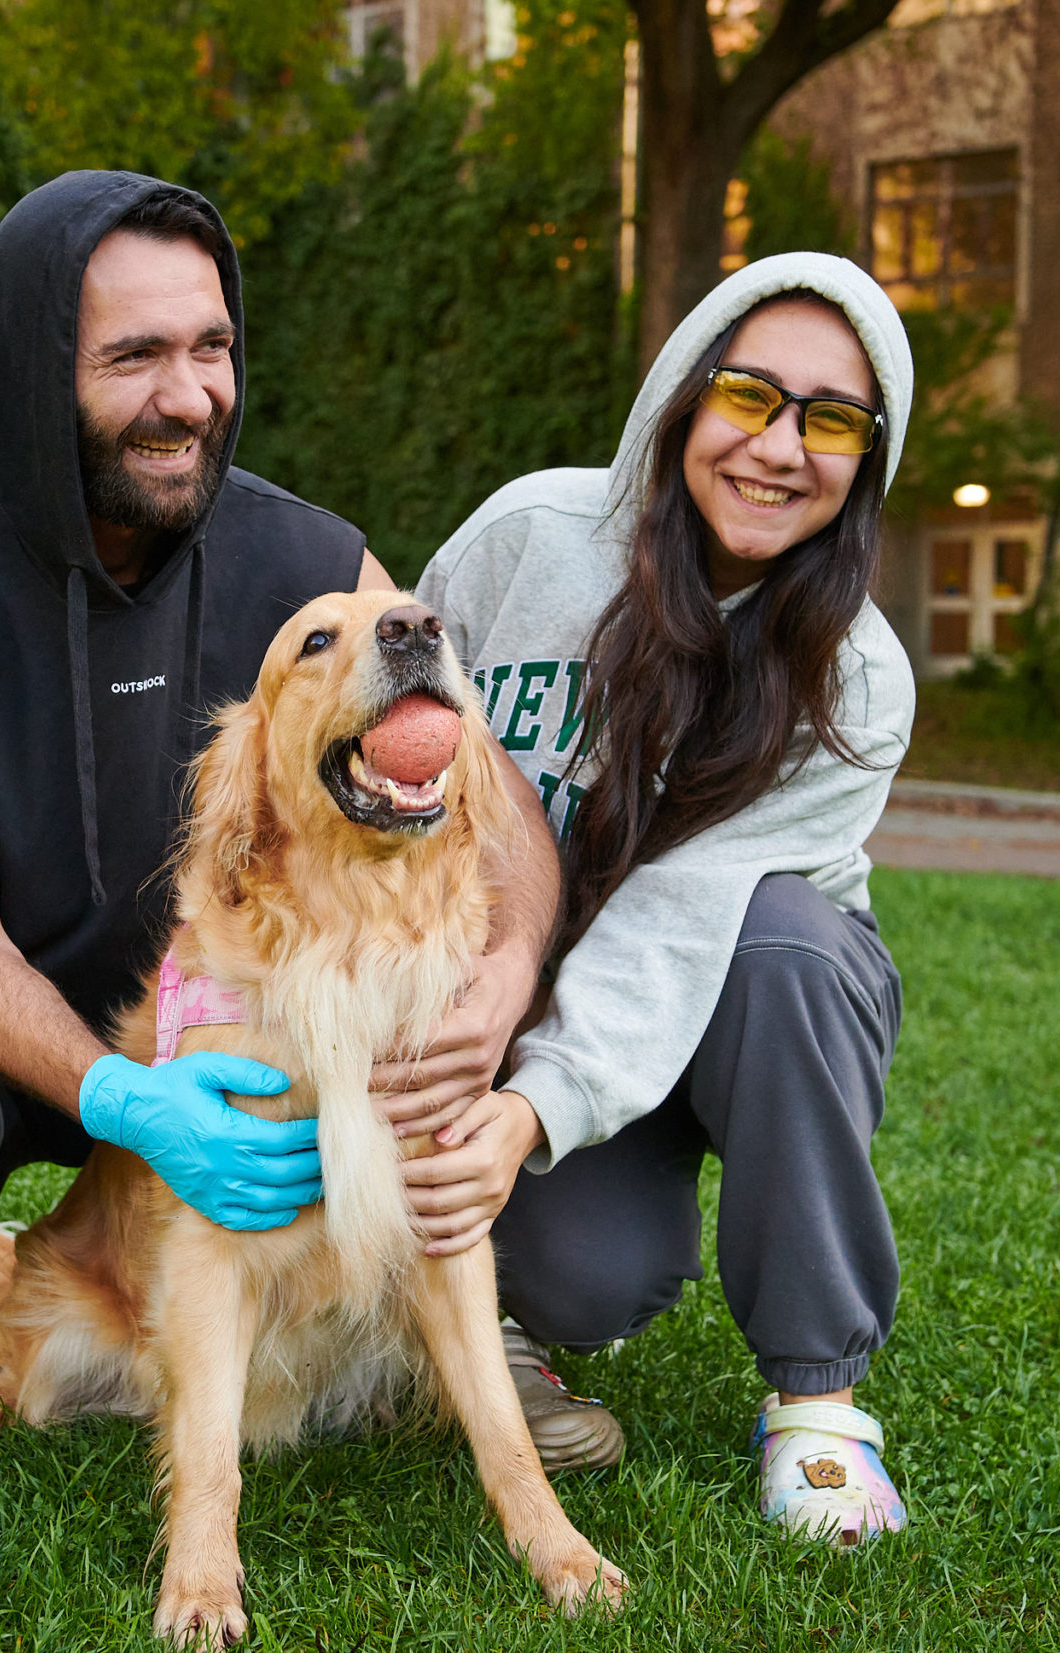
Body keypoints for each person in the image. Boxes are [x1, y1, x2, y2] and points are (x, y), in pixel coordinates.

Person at [0, 171, 559, 1408]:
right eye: (133, 356)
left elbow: (491, 809)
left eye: (211, 348)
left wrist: (502, 989)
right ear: (33, 379)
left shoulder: (312, 560)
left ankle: (413, 1307)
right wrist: (124, 1098)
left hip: (238, 1021)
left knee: (437, 987)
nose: (188, 398)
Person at [407, 255, 918, 1547]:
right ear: (685, 400)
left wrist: (530, 1109)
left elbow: (676, 922)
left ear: (870, 456)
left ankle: (818, 1398)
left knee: (785, 943)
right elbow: (401, 734)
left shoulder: (854, 678)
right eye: (752, 394)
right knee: (586, 1278)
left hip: (737, 998)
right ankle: (491, 1322)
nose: (783, 445)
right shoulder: (533, 535)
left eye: (834, 417)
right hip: (522, 993)